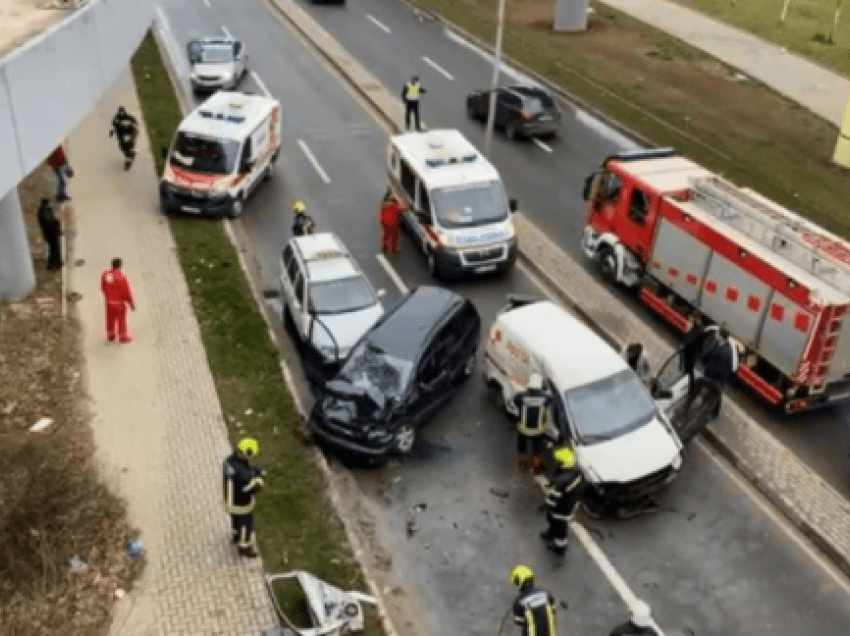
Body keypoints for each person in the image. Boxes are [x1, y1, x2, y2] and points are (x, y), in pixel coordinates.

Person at [223, 437, 266, 558]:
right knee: (247, 525)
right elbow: (248, 489)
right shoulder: (243, 475)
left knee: (235, 520)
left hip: (230, 501)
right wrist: (258, 483)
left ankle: (235, 536)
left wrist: (256, 470)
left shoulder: (229, 461)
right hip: (241, 505)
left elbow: (243, 466)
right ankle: (244, 548)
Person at [540, 446, 585, 556]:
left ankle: (559, 547)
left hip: (562, 507)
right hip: (570, 502)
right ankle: (551, 533)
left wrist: (545, 505)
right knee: (553, 520)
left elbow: (555, 498)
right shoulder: (577, 469)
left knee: (559, 526)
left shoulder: (562, 480)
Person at [512, 374, 552, 473]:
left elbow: (515, 400)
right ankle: (536, 468)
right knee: (537, 450)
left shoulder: (521, 397)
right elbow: (550, 398)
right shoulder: (546, 398)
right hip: (538, 431)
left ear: (530, 384)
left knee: (522, 448)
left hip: (523, 430)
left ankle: (523, 466)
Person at [508, 565, 557, 636]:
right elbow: (553, 610)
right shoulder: (546, 594)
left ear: (518, 582)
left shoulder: (519, 602)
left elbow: (519, 621)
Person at [100, 258, 135, 343]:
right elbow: (126, 292)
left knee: (110, 318)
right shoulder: (121, 277)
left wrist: (107, 296)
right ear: (120, 265)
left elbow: (102, 287)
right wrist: (131, 303)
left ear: (112, 264)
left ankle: (111, 335)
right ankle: (122, 337)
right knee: (121, 319)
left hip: (109, 302)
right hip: (119, 302)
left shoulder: (106, 274)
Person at [37, 198, 62, 271]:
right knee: (54, 248)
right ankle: (53, 265)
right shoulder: (45, 211)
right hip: (50, 232)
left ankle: (54, 264)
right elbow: (50, 221)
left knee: (53, 249)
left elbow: (49, 220)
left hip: (48, 233)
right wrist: (56, 224)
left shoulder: (41, 211)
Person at [379, 188, 404, 253]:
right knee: (393, 237)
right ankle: (393, 249)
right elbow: (402, 209)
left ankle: (384, 247)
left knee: (385, 235)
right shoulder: (396, 206)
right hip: (393, 224)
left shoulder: (385, 204)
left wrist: (382, 222)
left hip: (385, 223)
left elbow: (380, 213)